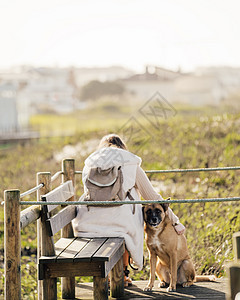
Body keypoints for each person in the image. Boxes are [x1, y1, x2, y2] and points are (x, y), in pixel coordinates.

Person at [72, 134, 185, 286]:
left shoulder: (90, 165)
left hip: (88, 222)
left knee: (119, 225)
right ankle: (122, 275)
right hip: (120, 224)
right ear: (122, 148)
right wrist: (175, 221)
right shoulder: (130, 163)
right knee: (126, 227)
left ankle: (108, 277)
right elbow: (153, 197)